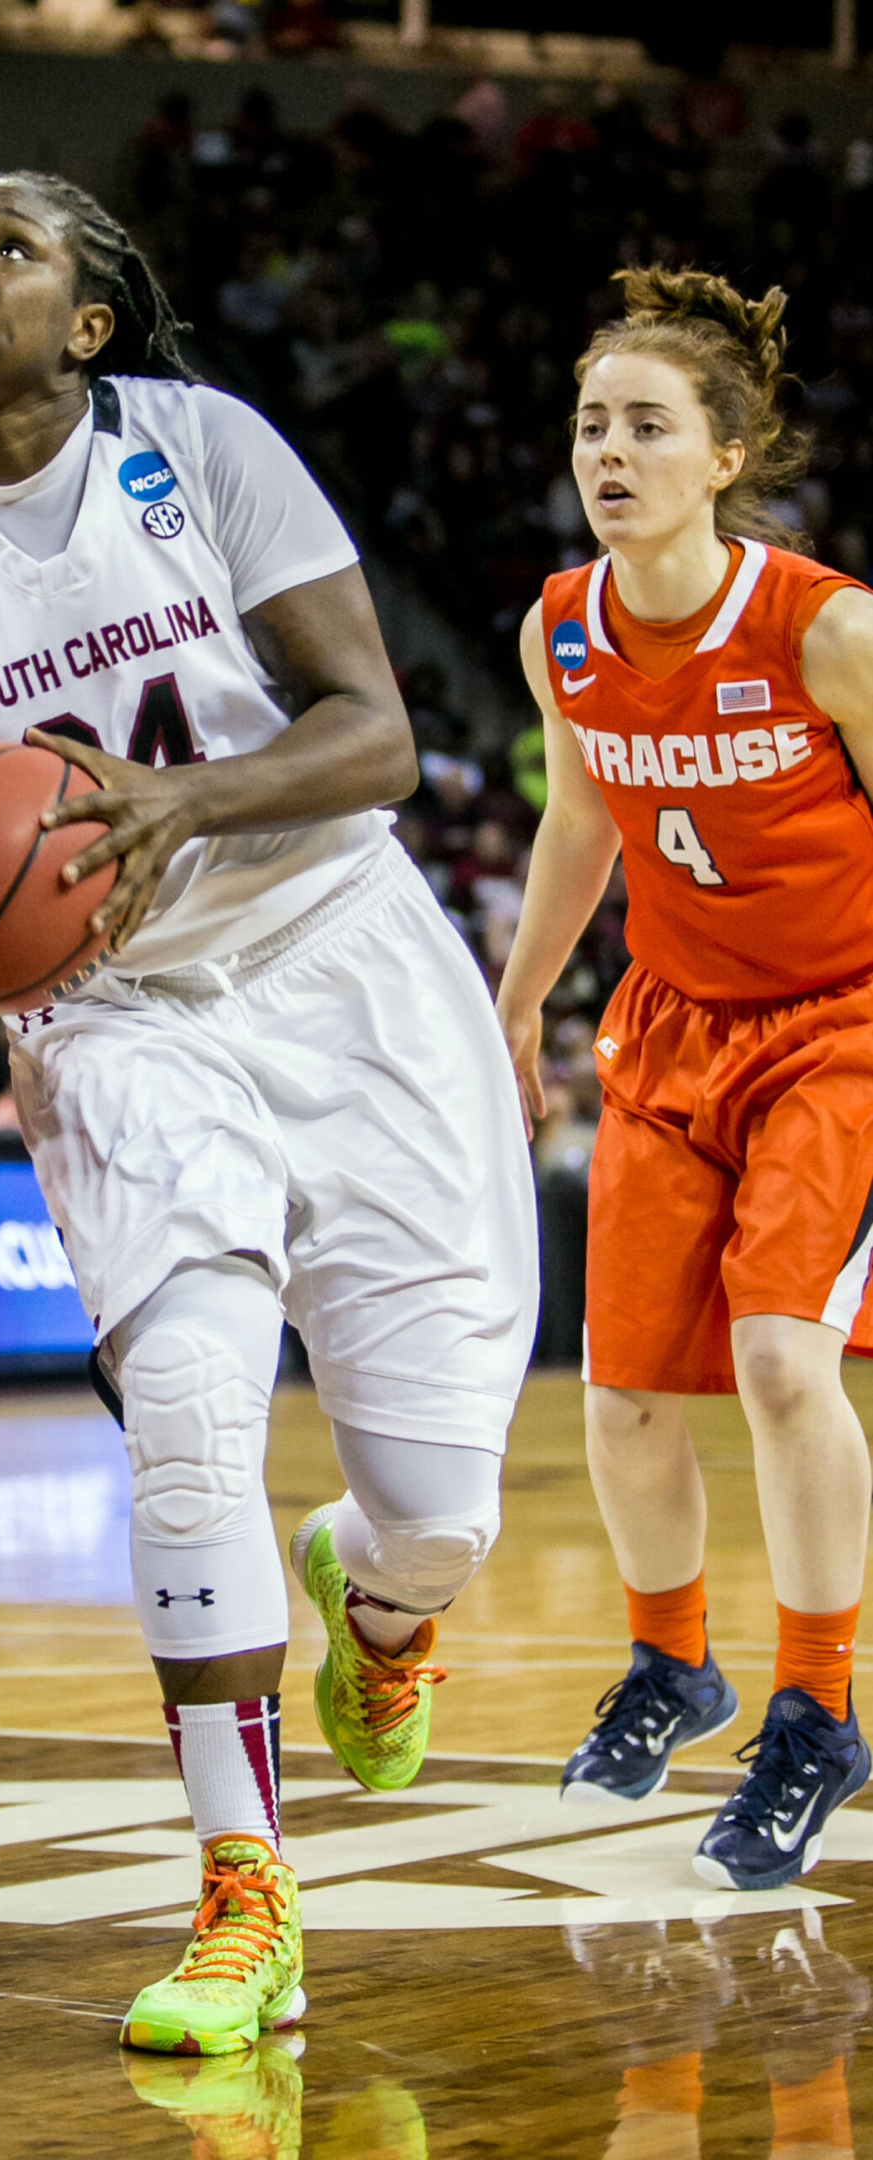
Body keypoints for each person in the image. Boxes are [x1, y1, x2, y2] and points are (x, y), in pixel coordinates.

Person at [0, 171, 535, 2051]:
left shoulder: (202, 452)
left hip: (339, 952)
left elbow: (375, 734)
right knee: (185, 1405)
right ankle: (244, 1895)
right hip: (115, 1009)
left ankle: (381, 1612)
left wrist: (174, 806)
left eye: (9, 248)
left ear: (87, 324)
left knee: (442, 1510)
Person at [496, 267, 873, 1889]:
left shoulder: (826, 626)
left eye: (647, 425)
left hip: (836, 1026)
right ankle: (671, 1663)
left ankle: (814, 1710)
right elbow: (581, 822)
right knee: (626, 1392)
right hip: (664, 1031)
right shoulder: (558, 627)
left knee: (786, 1361)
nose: (610, 451)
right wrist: (512, 1007)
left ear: (723, 456)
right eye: (591, 424)